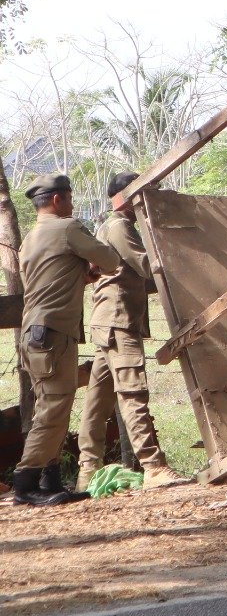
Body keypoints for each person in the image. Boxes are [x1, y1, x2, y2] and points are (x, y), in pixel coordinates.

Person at [13, 174, 123, 507]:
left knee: (48, 406)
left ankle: (49, 481)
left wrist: (80, 274)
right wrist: (92, 267)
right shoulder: (68, 228)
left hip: (33, 333)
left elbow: (48, 278)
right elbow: (111, 260)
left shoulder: (30, 239)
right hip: (53, 333)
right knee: (54, 408)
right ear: (57, 199)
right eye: (71, 198)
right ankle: (26, 482)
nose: (73, 205)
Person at [77, 172, 185, 488]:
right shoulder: (119, 226)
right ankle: (153, 467)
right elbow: (147, 264)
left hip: (110, 321)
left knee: (98, 399)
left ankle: (87, 470)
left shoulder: (113, 226)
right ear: (125, 197)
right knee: (132, 391)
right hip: (119, 321)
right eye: (142, 192)